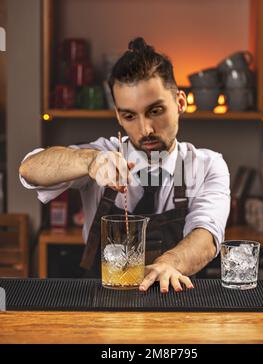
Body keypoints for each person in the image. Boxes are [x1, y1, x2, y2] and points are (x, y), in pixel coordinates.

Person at [19, 37, 230, 293]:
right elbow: (30, 169)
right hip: (101, 303)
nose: (145, 129)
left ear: (180, 103)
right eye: (130, 116)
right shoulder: (103, 154)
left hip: (175, 300)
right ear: (119, 116)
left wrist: (167, 263)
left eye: (155, 111)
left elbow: (206, 236)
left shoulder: (206, 165)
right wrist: (89, 161)